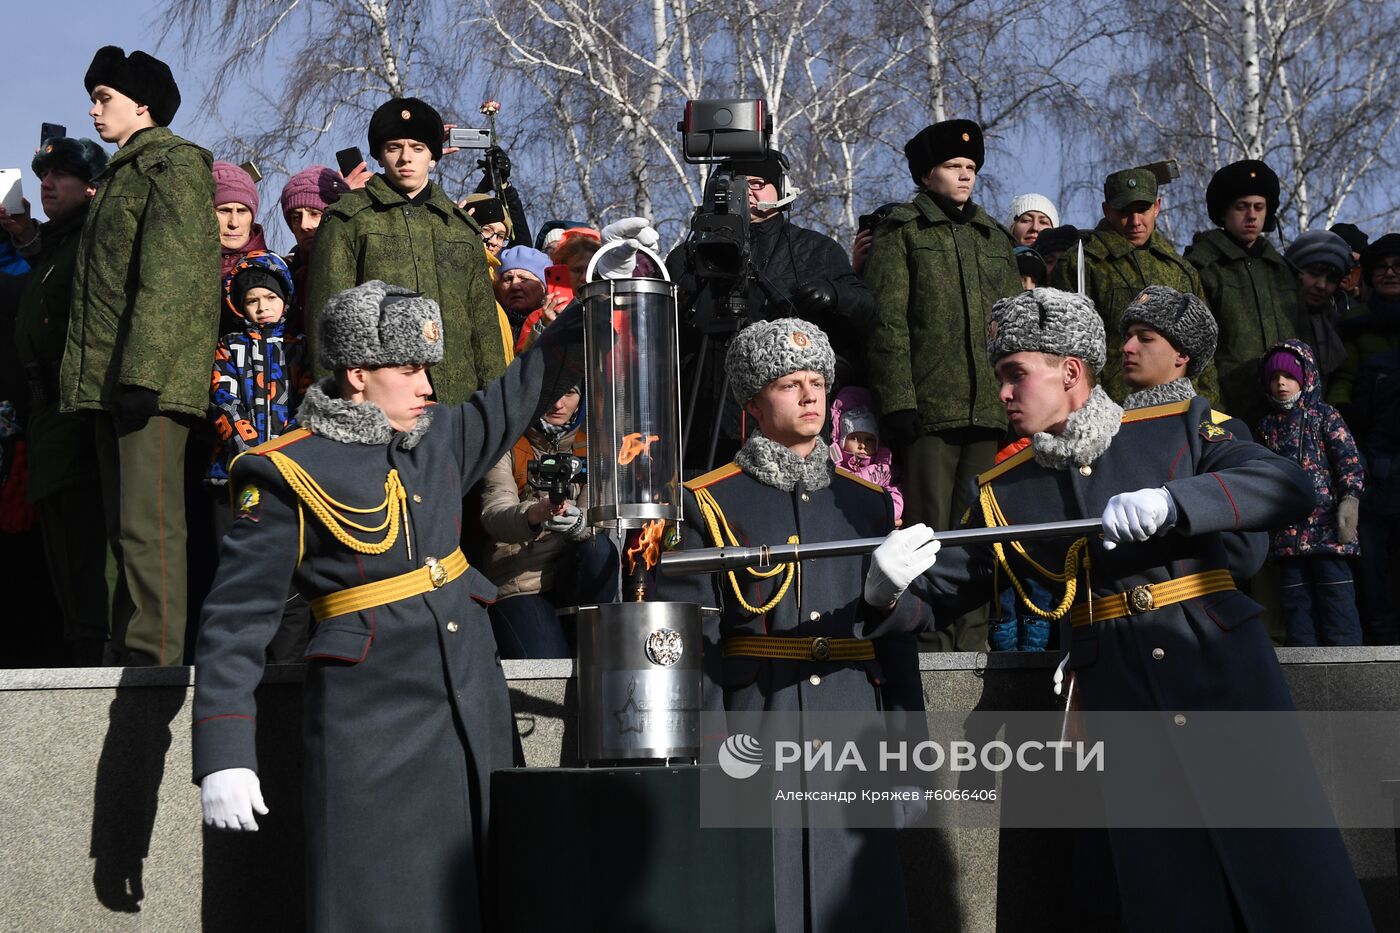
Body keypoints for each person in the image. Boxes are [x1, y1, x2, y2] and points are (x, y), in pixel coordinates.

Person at [861, 286, 1374, 932]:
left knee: (1290, 876)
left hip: (1222, 679)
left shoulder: (1181, 427)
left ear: (1071, 371)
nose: (1003, 394)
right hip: (1120, 706)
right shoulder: (1005, 490)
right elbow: (932, 600)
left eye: (1016, 374)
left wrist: (1177, 502)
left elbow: (1287, 484)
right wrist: (885, 589)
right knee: (1169, 893)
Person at [193, 280, 585, 932]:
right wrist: (225, 750)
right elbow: (235, 622)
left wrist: (599, 295)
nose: (428, 387)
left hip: (474, 712)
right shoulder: (284, 471)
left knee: (491, 897)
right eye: (409, 369)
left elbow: (526, 384)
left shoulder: (441, 437)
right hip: (374, 731)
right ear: (356, 374)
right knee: (384, 905)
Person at [653, 317, 918, 933]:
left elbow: (896, 641)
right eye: (787, 382)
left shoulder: (868, 501)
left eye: (818, 382)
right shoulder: (707, 500)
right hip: (757, 719)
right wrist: (709, 760)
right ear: (752, 402)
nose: (809, 395)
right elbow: (695, 643)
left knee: (861, 901)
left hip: (856, 723)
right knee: (763, 899)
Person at [62, 45, 221, 666]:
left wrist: (145, 376)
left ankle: (152, 669)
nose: (94, 110)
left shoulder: (172, 167)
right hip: (112, 382)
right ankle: (129, 657)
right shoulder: (123, 174)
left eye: (105, 98)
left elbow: (174, 277)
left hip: (146, 384)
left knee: (149, 528)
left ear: (143, 105)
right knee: (123, 531)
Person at [863, 118, 1022, 651]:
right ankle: (929, 646)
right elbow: (888, 322)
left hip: (988, 409)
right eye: (954, 167)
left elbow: (1010, 326)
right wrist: (899, 400)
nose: (965, 177)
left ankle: (971, 645)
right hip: (928, 408)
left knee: (979, 532)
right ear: (927, 174)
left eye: (972, 168)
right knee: (928, 533)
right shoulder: (903, 230)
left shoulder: (993, 237)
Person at [669, 148, 876, 468]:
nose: (747, 192)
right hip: (705, 420)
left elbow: (867, 311)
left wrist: (834, 294)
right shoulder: (689, 255)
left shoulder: (817, 250)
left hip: (792, 419)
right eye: (735, 184)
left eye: (757, 182)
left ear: (781, 188)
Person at [303, 96, 508, 405]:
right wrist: (340, 408)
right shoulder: (349, 220)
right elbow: (328, 322)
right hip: (379, 405)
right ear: (380, 155)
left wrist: (497, 410)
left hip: (458, 407)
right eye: (394, 148)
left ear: (434, 157)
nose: (405, 159)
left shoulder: (461, 229)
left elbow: (484, 328)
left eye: (417, 148)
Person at [1, 136, 110, 664]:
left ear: (91, 186)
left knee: (87, 543)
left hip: (78, 413)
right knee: (61, 545)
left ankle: (97, 651)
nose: (46, 182)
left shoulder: (92, 239)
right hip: (47, 416)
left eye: (61, 174)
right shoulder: (54, 245)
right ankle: (80, 644)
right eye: (43, 173)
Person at [1050, 167, 1217, 403]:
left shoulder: (1180, 269)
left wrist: (1206, 405)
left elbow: (1202, 347)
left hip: (1179, 410)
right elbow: (1068, 344)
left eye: (1143, 210)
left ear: (1157, 206)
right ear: (1107, 211)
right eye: (1125, 212)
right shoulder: (1083, 264)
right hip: (1112, 410)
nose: (1135, 221)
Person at [479, 385, 617, 658]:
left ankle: (587, 633)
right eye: (550, 389)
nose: (558, 403)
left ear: (583, 398)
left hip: (572, 575)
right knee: (546, 666)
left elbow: (600, 515)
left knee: (599, 549)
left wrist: (579, 524)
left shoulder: (594, 445)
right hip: (520, 581)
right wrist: (535, 514)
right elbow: (494, 512)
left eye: (569, 393)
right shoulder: (508, 441)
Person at [1255, 341, 1364, 647]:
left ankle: (1347, 662)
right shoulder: (1265, 428)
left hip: (1328, 529)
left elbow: (1349, 459)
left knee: (1336, 594)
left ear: (1306, 378)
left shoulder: (1325, 416)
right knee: (1295, 602)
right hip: (1287, 533)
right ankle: (1306, 666)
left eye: (1289, 377)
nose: (1281, 383)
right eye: (1274, 378)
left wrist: (1350, 498)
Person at [1185, 160, 1303, 426]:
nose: (1251, 215)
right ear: (1224, 212)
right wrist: (1210, 407)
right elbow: (1194, 350)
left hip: (1289, 414)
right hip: (1228, 411)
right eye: (1242, 207)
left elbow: (1303, 346)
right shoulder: (1203, 269)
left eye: (1259, 207)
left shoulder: (1284, 271)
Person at [1329, 233, 1400, 645]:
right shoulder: (1355, 328)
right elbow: (1343, 382)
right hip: (1374, 458)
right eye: (1381, 267)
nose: (1390, 273)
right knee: (1372, 562)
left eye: (1398, 266)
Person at [278, 165, 349, 330]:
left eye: (315, 214)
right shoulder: (281, 275)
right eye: (296, 217)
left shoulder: (359, 265)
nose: (304, 225)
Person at [1284, 229, 1353, 393]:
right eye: (1314, 274)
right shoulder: (1271, 315)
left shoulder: (1337, 326)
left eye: (1331, 279)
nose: (1322, 285)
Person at [828, 385, 903, 524]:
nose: (862, 445)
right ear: (841, 440)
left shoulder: (884, 471)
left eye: (869, 439)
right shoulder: (834, 470)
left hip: (875, 524)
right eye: (855, 438)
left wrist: (888, 513)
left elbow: (895, 495)